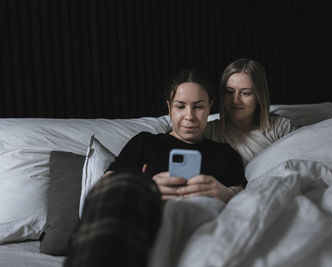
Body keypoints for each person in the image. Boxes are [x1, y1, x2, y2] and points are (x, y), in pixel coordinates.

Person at [64, 70, 246, 267]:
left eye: (198, 107)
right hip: (149, 222)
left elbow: (248, 201)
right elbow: (107, 189)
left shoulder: (225, 154)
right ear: (169, 107)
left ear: (210, 106)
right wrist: (147, 187)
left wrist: (226, 193)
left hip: (201, 227)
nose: (189, 116)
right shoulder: (145, 143)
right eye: (180, 106)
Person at [205, 58, 295, 165]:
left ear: (259, 96)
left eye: (245, 93)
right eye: (229, 92)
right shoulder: (209, 131)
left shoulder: (281, 128)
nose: (235, 100)